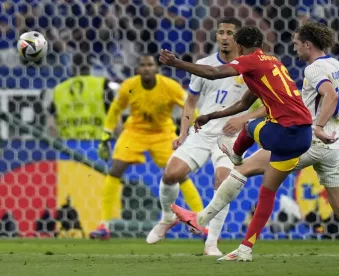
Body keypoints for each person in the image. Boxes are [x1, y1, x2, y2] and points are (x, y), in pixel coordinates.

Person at [172, 22, 339, 261]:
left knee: (242, 169)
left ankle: (204, 220)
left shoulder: (313, 69)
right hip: (334, 144)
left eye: (297, 44)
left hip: (308, 137)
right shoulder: (335, 65)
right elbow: (284, 99)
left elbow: (330, 95)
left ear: (308, 44)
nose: (294, 48)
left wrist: (318, 126)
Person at [159, 25, 313, 256]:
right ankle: (243, 248)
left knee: (249, 127)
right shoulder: (271, 62)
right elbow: (243, 104)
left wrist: (177, 63)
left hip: (286, 131)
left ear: (239, 46)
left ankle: (235, 155)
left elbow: (212, 73)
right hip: (303, 134)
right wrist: (211, 115)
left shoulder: (251, 61)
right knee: (264, 192)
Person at [147, 18, 263, 256]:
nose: (224, 36)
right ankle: (168, 217)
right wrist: (182, 133)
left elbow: (262, 104)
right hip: (202, 132)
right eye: (220, 32)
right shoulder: (203, 64)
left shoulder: (249, 67)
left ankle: (211, 242)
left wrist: (244, 120)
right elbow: (190, 102)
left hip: (230, 138)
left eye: (229, 32)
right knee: (171, 174)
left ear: (238, 38)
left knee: (222, 182)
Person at [89, 55, 203, 239]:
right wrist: (105, 135)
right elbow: (115, 110)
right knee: (115, 168)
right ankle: (104, 225)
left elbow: (190, 107)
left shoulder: (170, 86)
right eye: (143, 65)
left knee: (178, 173)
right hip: (135, 131)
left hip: (163, 132)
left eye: (150, 65)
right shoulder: (129, 86)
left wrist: (193, 130)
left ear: (156, 68)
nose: (147, 68)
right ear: (138, 69)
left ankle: (201, 221)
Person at [47, 54, 114, 140]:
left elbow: (51, 124)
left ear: (73, 67)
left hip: (67, 147)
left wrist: (58, 144)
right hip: (97, 145)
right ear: (90, 67)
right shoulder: (102, 84)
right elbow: (115, 117)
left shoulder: (59, 89)